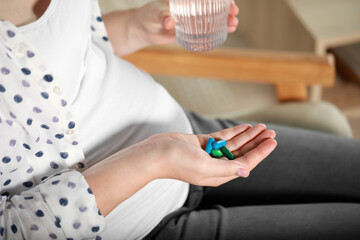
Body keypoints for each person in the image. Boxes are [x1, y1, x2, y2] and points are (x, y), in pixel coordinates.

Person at [0, 0, 359, 239]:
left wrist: (134, 26)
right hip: (144, 225)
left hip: (190, 131)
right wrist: (156, 158)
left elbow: (63, 48)